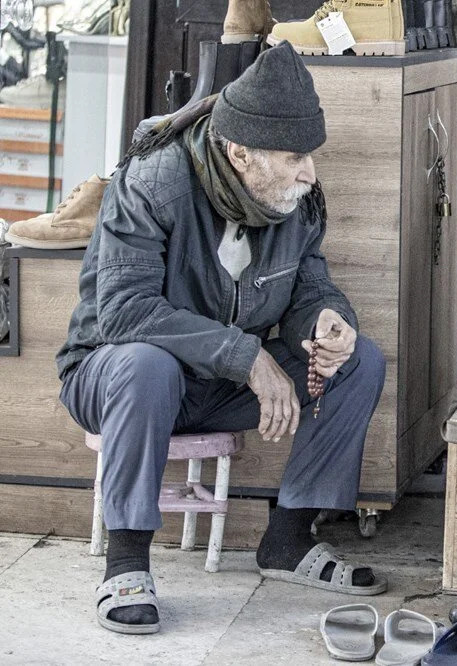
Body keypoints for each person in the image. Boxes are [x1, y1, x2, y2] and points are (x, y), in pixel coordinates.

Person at [56, 42, 387, 635]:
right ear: (240, 153)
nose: (309, 172)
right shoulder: (154, 182)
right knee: (145, 364)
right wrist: (247, 356)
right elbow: (125, 313)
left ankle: (288, 539)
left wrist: (327, 322)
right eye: (294, 157)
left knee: (358, 361)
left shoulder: (296, 200)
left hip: (219, 382)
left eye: (310, 155)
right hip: (114, 377)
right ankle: (126, 562)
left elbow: (311, 285)